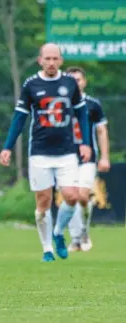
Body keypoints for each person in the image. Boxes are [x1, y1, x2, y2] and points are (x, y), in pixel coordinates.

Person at [0, 43, 91, 262]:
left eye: (55, 59)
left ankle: (58, 232)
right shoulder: (31, 84)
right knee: (43, 203)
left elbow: (82, 114)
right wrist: (7, 147)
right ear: (40, 60)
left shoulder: (69, 83)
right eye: (47, 59)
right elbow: (19, 117)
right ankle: (47, 248)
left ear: (61, 61)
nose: (51, 63)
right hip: (39, 152)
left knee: (72, 196)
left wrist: (85, 142)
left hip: (67, 151)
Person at [65, 66, 110, 252]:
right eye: (71, 80)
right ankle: (75, 239)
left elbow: (101, 130)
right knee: (70, 198)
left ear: (84, 82)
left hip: (87, 157)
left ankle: (83, 232)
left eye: (78, 79)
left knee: (83, 196)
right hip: (64, 158)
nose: (75, 83)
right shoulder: (59, 104)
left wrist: (105, 157)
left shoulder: (93, 104)